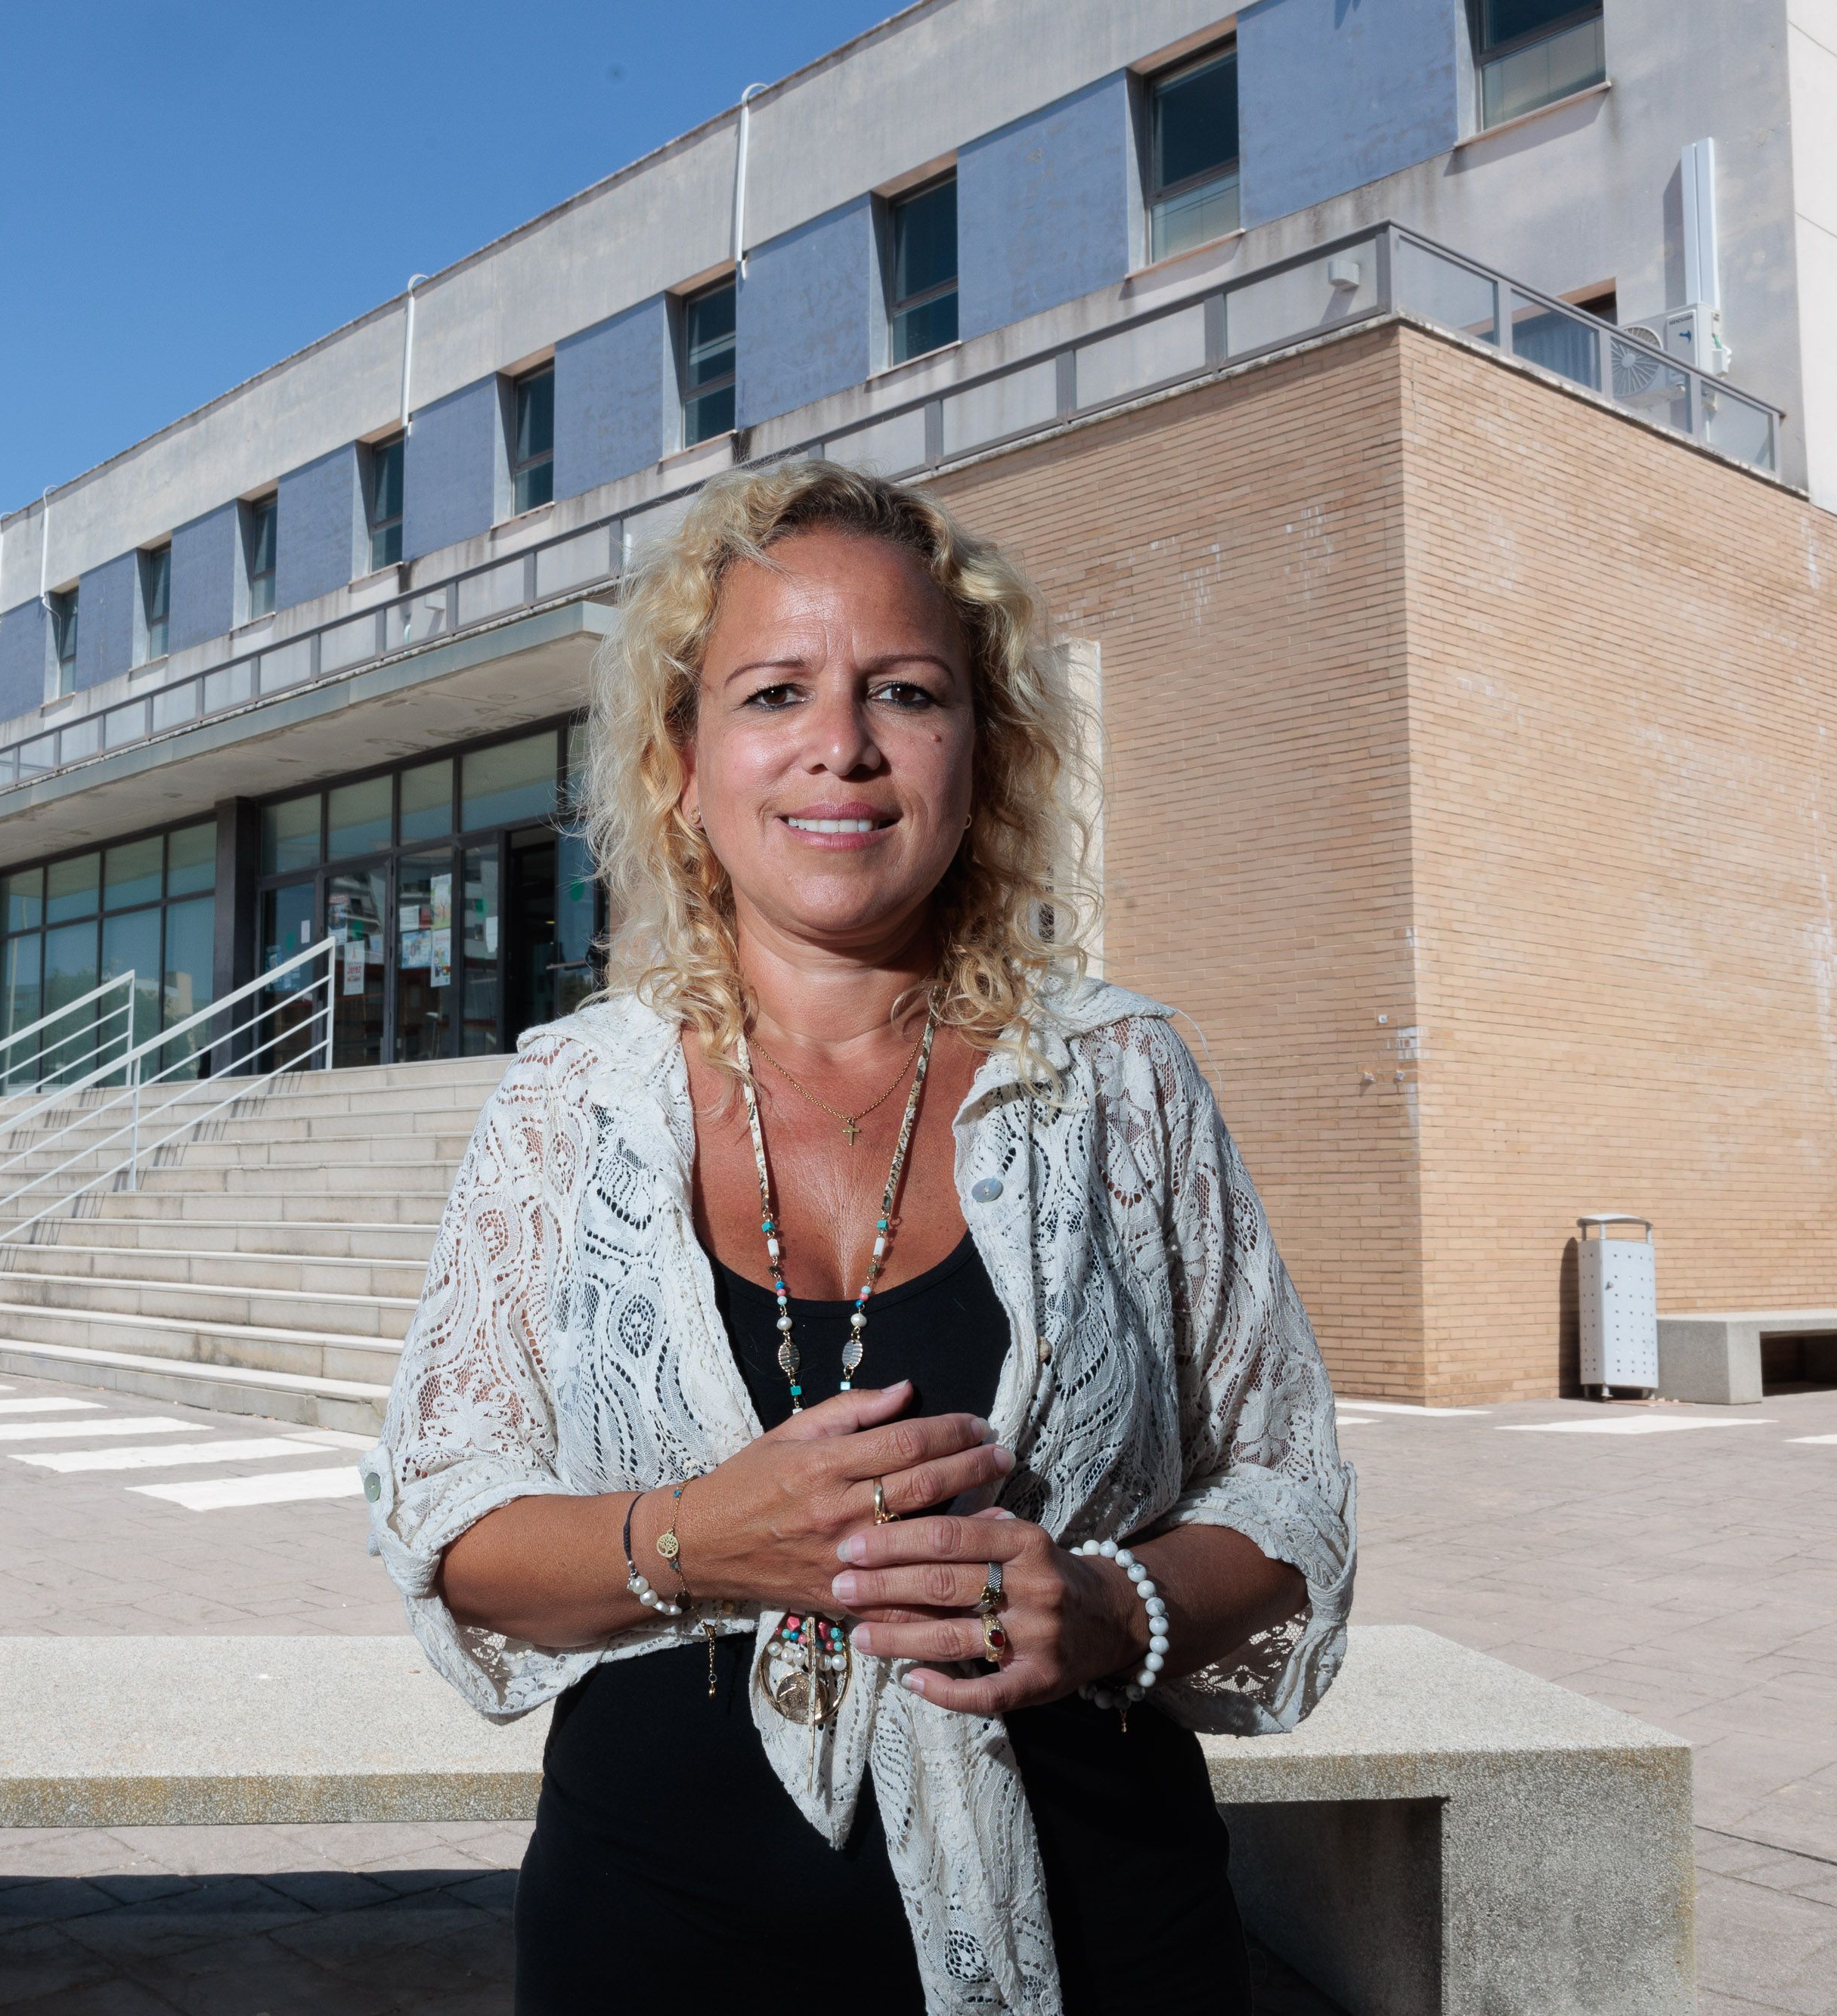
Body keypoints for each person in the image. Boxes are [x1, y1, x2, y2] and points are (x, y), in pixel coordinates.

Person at [361, 460, 1355, 2015]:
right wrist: (693, 1534)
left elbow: (1287, 1491)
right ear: (680, 764)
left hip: (1109, 1939)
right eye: (772, 692)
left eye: (903, 691)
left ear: (985, 753)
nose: (840, 744)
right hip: (653, 1946)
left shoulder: (1118, 1076)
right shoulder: (569, 1103)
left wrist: (1103, 1607)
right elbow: (450, 1525)